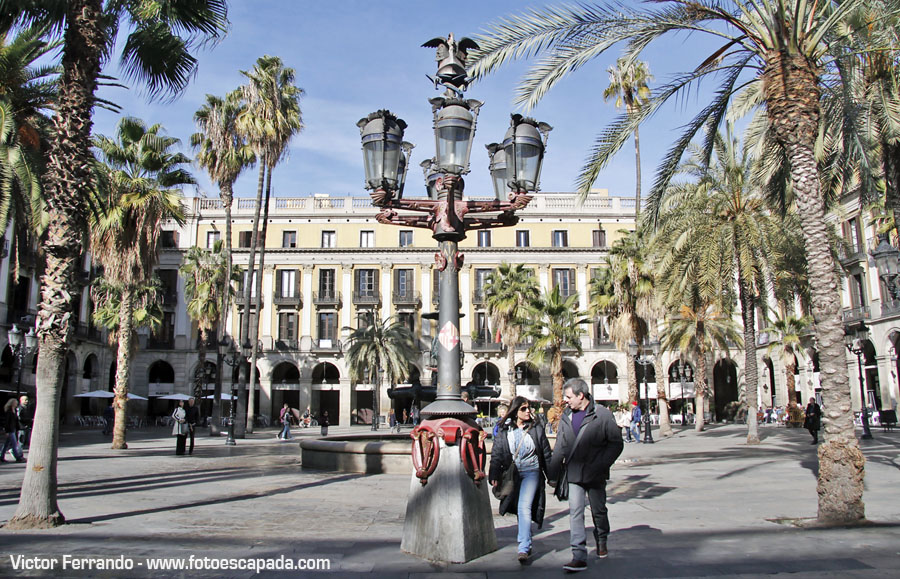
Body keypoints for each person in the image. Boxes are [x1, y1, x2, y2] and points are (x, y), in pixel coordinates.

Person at [548, 378, 624, 573]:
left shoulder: (602, 415)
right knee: (575, 512)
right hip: (574, 473)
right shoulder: (566, 416)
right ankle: (578, 555)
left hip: (595, 473)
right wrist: (553, 473)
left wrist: (602, 464)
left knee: (598, 511)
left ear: (581, 396)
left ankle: (601, 538)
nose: (566, 401)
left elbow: (616, 443)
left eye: (569, 397)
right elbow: (560, 447)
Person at [489, 396, 553, 564]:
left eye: (529, 408)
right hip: (513, 474)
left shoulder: (536, 428)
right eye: (523, 409)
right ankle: (527, 539)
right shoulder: (504, 429)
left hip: (532, 472)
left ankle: (523, 547)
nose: (527, 411)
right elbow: (496, 453)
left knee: (524, 506)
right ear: (515, 411)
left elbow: (545, 452)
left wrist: (552, 476)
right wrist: (494, 474)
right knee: (519, 507)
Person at [1, 398, 25, 463]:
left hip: (13, 429)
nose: (17, 403)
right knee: (14, 444)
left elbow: (15, 421)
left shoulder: (14, 411)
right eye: (15, 402)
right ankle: (18, 457)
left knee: (6, 444)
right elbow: (7, 422)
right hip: (10, 430)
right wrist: (6, 431)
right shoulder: (9, 412)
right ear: (12, 403)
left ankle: (1, 456)